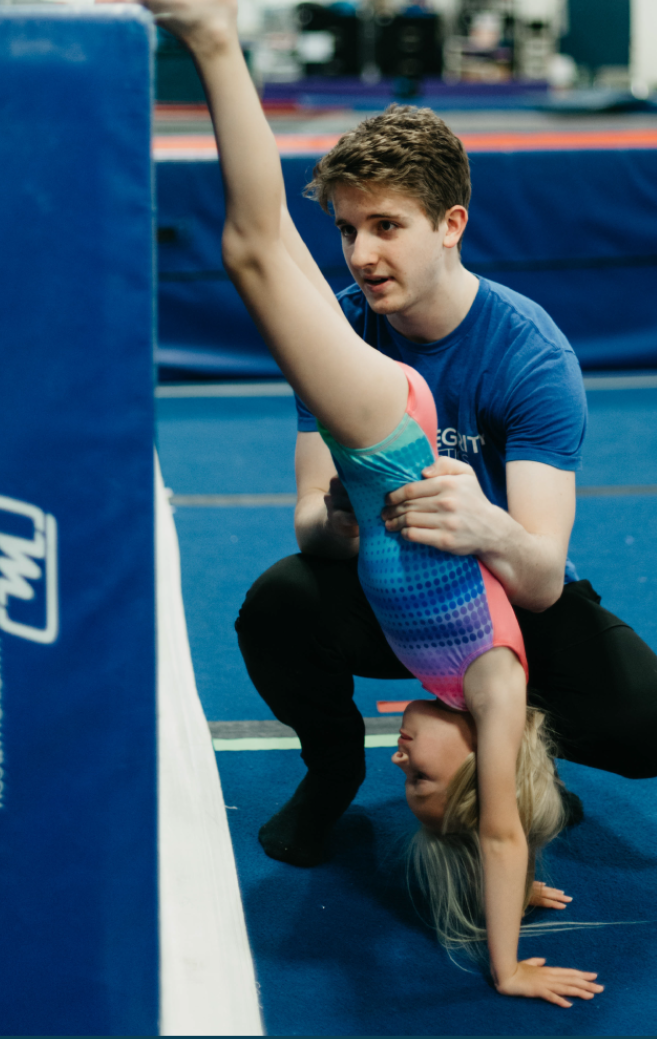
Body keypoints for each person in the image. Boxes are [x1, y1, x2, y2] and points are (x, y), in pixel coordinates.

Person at [127, 0, 607, 1005]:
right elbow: (507, 825)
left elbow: (502, 834)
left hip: (391, 445)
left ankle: (215, 43)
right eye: (424, 779)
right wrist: (507, 962)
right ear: (484, 759)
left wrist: (509, 875)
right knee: (257, 250)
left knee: (265, 253)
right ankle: (215, 36)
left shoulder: (448, 700)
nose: (406, 762)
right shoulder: (495, 688)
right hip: (394, 435)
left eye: (405, 784)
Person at [236, 106, 657, 870]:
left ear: (450, 224)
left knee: (646, 723)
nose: (361, 255)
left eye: (386, 226)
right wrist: (334, 520)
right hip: (386, 583)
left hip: (501, 595)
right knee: (276, 605)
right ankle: (333, 765)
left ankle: (520, 760)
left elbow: (542, 576)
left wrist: (486, 524)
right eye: (347, 231)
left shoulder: (530, 354)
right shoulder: (336, 336)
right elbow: (308, 521)